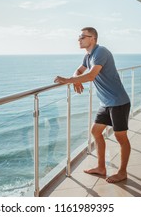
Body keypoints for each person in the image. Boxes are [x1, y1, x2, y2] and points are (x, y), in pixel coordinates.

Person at [54, 27, 131, 183]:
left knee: (120, 137)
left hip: (118, 102)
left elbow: (90, 76)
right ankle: (101, 168)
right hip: (106, 103)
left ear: (92, 38)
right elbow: (80, 70)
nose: (79, 39)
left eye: (82, 37)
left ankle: (122, 172)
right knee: (96, 131)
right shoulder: (88, 56)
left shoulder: (100, 52)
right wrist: (76, 79)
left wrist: (68, 80)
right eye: (79, 37)